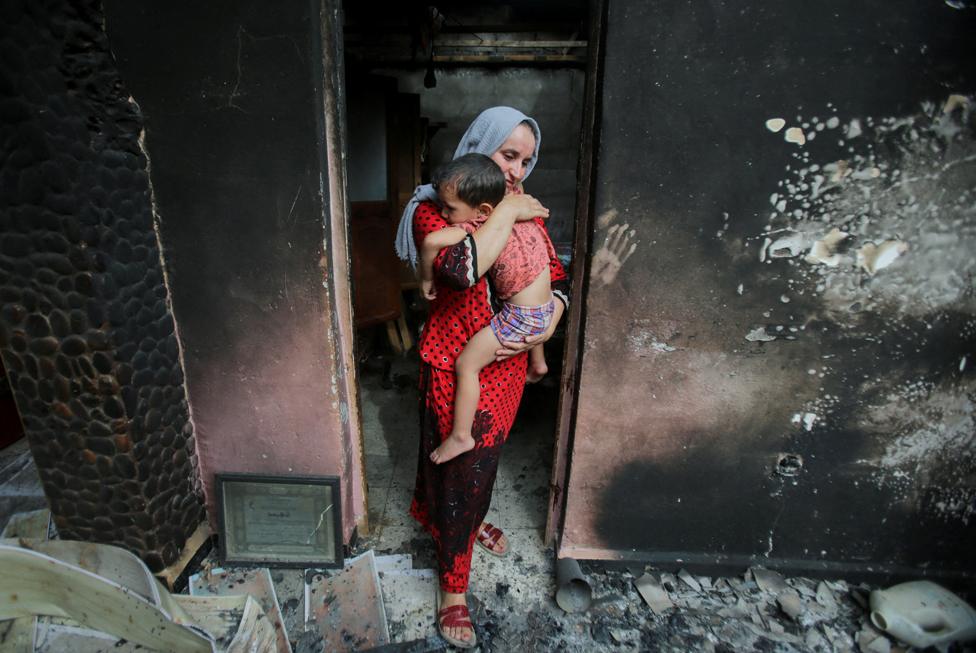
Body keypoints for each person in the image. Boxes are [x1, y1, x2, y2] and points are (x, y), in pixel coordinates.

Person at [394, 106, 569, 648]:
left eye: (525, 160)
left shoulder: (518, 209)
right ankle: (452, 590)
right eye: (506, 154)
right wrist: (508, 211)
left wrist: (552, 313)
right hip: (454, 362)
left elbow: (554, 276)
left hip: (508, 363)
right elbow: (458, 270)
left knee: (479, 468)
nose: (517, 170)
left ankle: (462, 529)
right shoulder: (433, 210)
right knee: (458, 469)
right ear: (476, 146)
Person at [418, 153, 556, 464]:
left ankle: (461, 436)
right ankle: (539, 362)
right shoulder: (520, 206)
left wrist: (425, 277)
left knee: (466, 364)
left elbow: (431, 243)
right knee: (518, 301)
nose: (442, 212)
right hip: (543, 309)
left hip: (522, 318)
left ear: (482, 210)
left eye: (449, 208)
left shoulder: (478, 223)